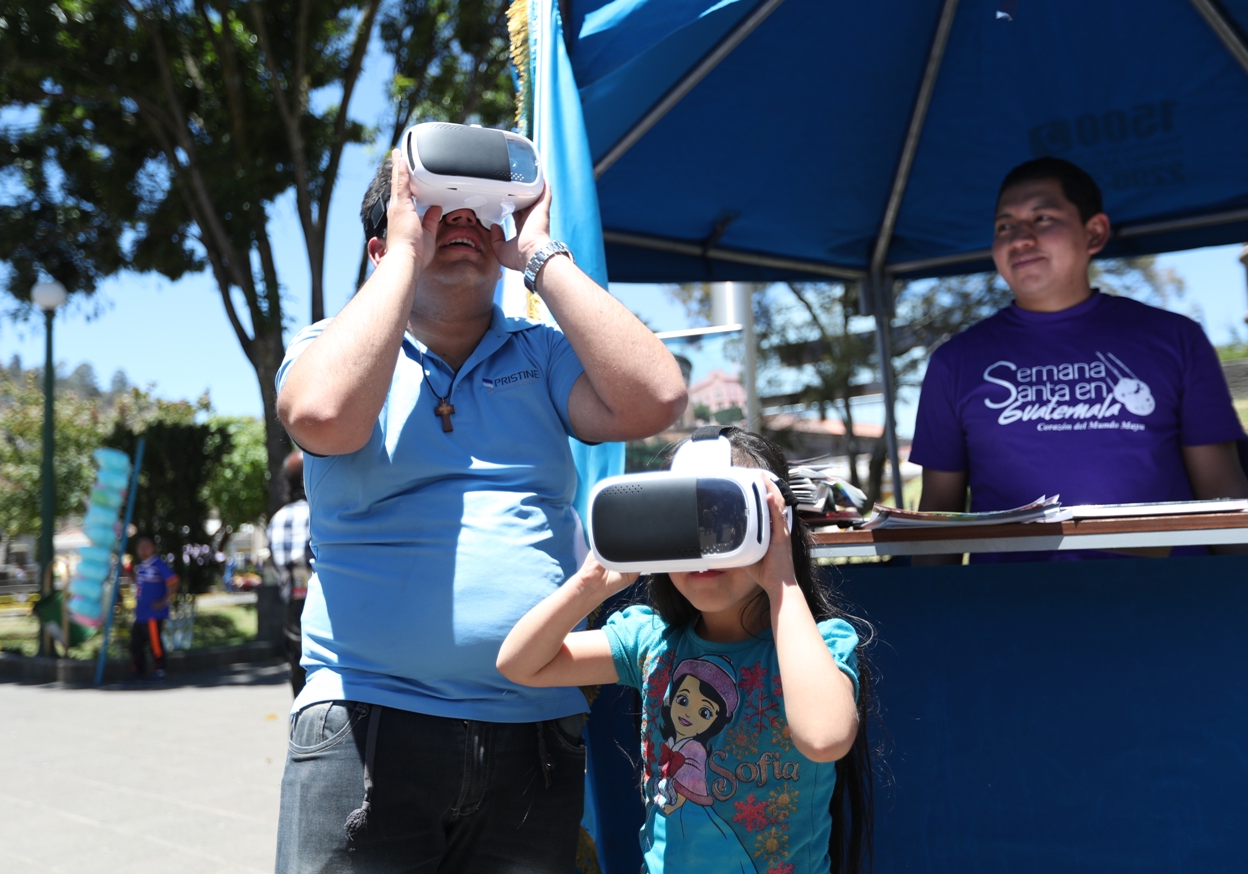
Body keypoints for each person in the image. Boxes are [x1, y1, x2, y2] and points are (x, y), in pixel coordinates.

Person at [272, 146, 687, 873]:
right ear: (383, 242)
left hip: (533, 731)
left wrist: (539, 254)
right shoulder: (325, 350)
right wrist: (405, 254)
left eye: (478, 214)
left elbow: (655, 398)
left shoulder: (545, 354)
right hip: (364, 719)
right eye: (434, 208)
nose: (459, 221)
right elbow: (323, 415)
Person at [498, 429, 874, 874]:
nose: (702, 549)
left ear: (777, 527)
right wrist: (588, 587)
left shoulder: (819, 644)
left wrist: (781, 582)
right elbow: (521, 663)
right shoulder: (650, 640)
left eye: (727, 522)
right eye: (682, 523)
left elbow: (825, 738)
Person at [910, 157, 1248, 562]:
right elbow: (939, 512)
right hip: (1011, 609)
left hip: (1165, 605)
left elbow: (1221, 490)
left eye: (1042, 218)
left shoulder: (1175, 338)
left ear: (1095, 232)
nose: (1020, 238)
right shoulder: (954, 362)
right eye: (1005, 226)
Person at [267, 450, 311, 698]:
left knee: (298, 677)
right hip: (326, 605)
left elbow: (278, 569)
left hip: (294, 607)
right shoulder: (321, 514)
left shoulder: (278, 519)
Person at [130, 535, 178, 680]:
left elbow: (174, 581)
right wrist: (127, 573)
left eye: (147, 546)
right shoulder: (142, 566)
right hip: (141, 613)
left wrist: (164, 601)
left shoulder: (158, 564)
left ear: (154, 548)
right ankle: (138, 671)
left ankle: (160, 669)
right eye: (140, 546)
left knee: (154, 643)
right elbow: (139, 583)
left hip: (153, 613)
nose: (143, 550)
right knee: (135, 643)